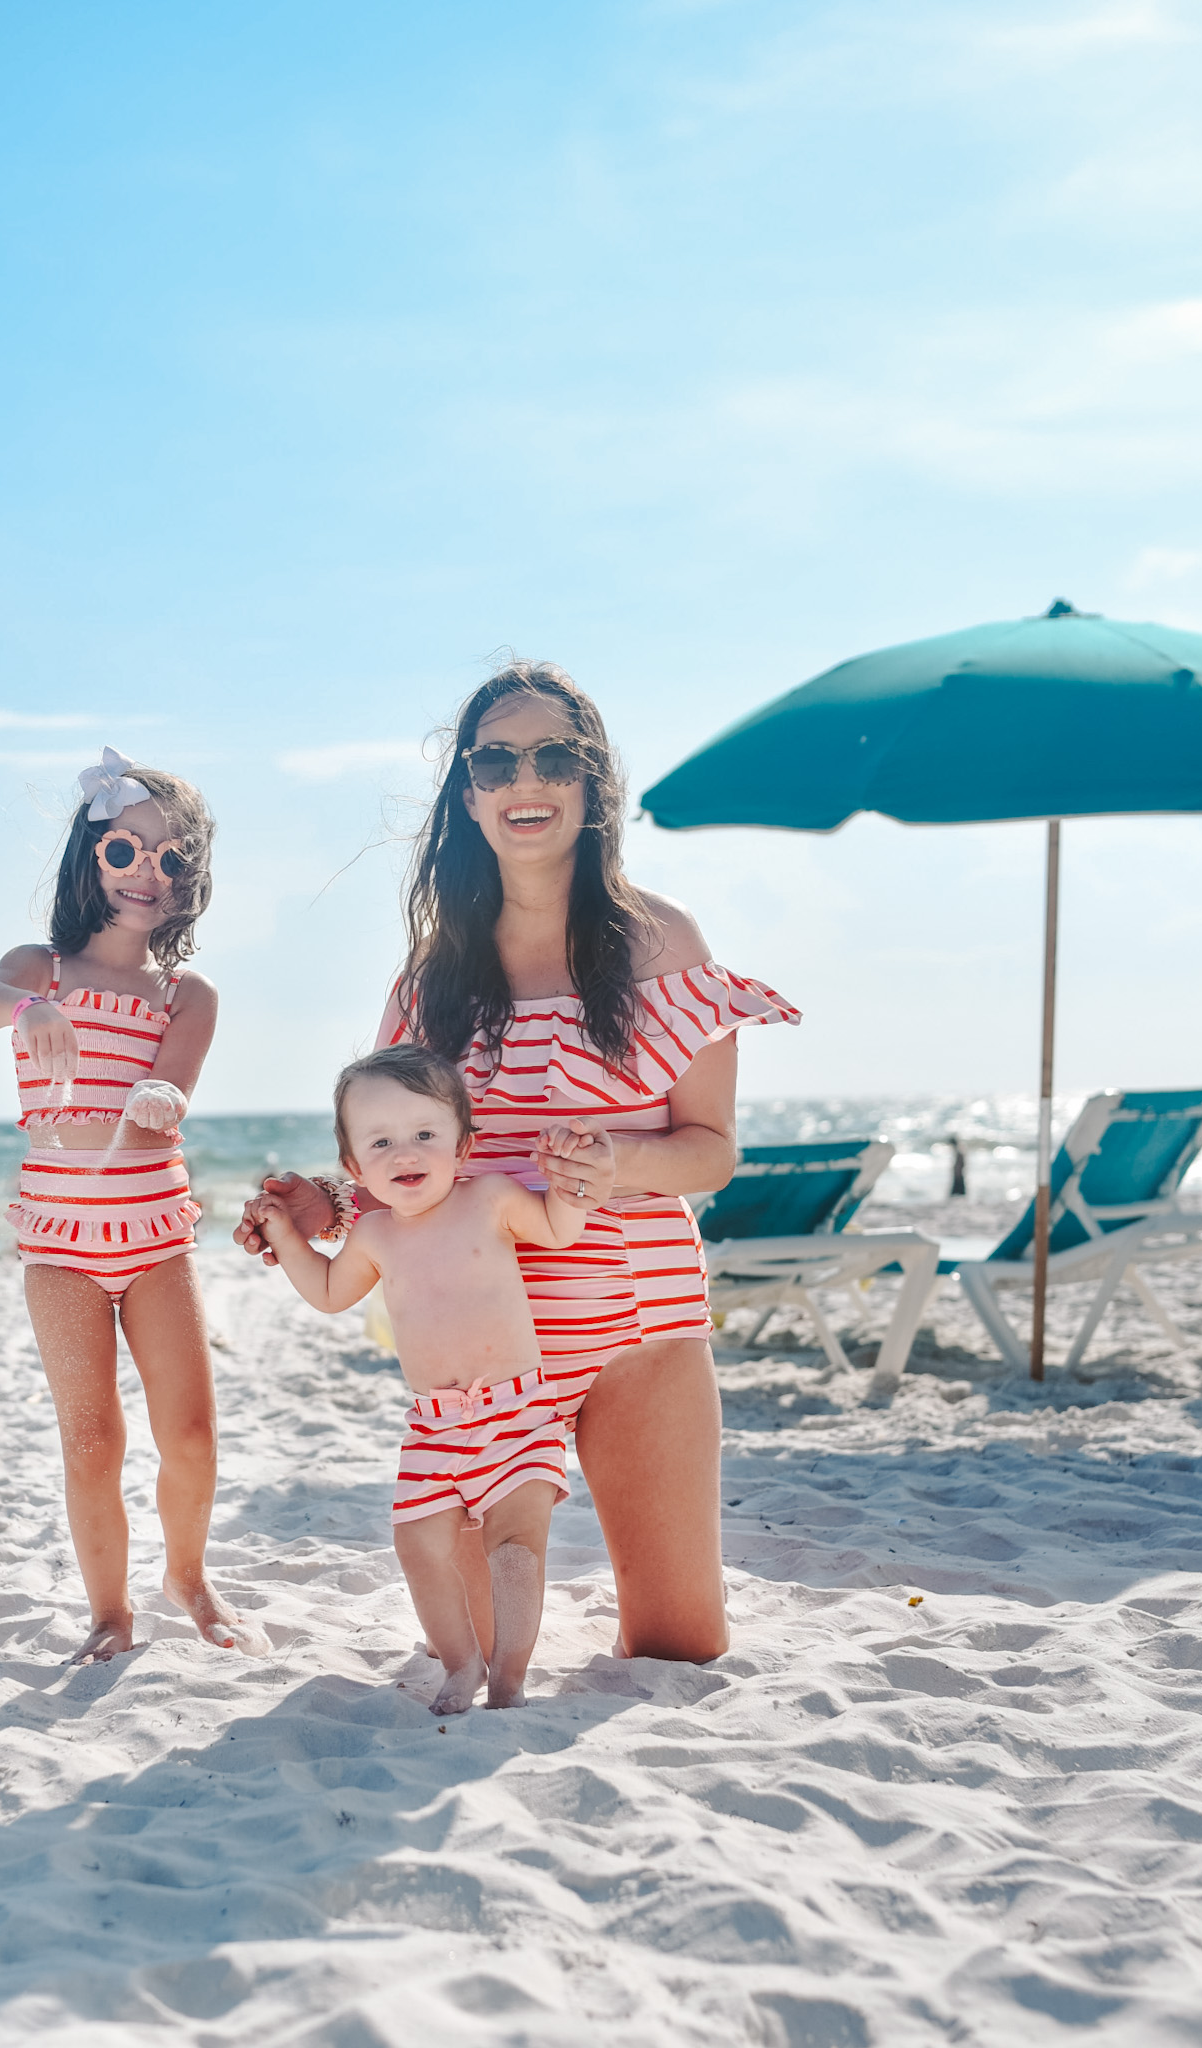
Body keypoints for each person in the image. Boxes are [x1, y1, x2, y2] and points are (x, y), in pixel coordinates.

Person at [239, 661, 799, 1663]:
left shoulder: (660, 941)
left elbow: (712, 1152)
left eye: (554, 756)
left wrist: (611, 1164)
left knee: (679, 1644)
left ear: (593, 784)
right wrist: (311, 1203)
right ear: (468, 791)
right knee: (482, 1652)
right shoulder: (429, 979)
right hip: (480, 1365)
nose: (524, 779)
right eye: (496, 759)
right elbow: (387, 1165)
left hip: (639, 1327)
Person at [0, 747, 265, 1664]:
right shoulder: (37, 971)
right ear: (90, 857)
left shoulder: (186, 994)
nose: (148, 873)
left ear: (191, 883)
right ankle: (109, 1611)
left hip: (156, 1236)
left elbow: (170, 1086)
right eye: (127, 850)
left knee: (192, 1433)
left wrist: (157, 1102)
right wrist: (26, 1009)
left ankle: (189, 1575)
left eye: (173, 860)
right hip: (58, 1244)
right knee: (92, 1438)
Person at [251, 1045, 613, 1713]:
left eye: (424, 1135)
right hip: (434, 1425)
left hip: (517, 1411)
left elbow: (560, 1231)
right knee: (417, 1543)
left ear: (462, 1146)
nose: (404, 1153)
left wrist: (572, 1183)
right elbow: (331, 1294)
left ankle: (509, 1674)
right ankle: (460, 1662)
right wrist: (285, 1235)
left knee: (514, 1548)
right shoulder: (374, 1235)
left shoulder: (492, 1201)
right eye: (381, 1142)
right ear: (355, 1167)